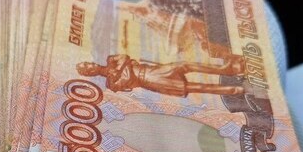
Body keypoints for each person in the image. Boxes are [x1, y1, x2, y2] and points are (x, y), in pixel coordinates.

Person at [76, 53, 245, 97]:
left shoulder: (111, 60)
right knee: (191, 87)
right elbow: (128, 78)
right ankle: (231, 90)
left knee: (185, 65)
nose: (91, 65)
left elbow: (125, 58)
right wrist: (125, 68)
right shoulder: (111, 84)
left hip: (153, 70)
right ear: (90, 73)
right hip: (150, 81)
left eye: (88, 63)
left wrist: (123, 69)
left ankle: (226, 70)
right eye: (88, 68)